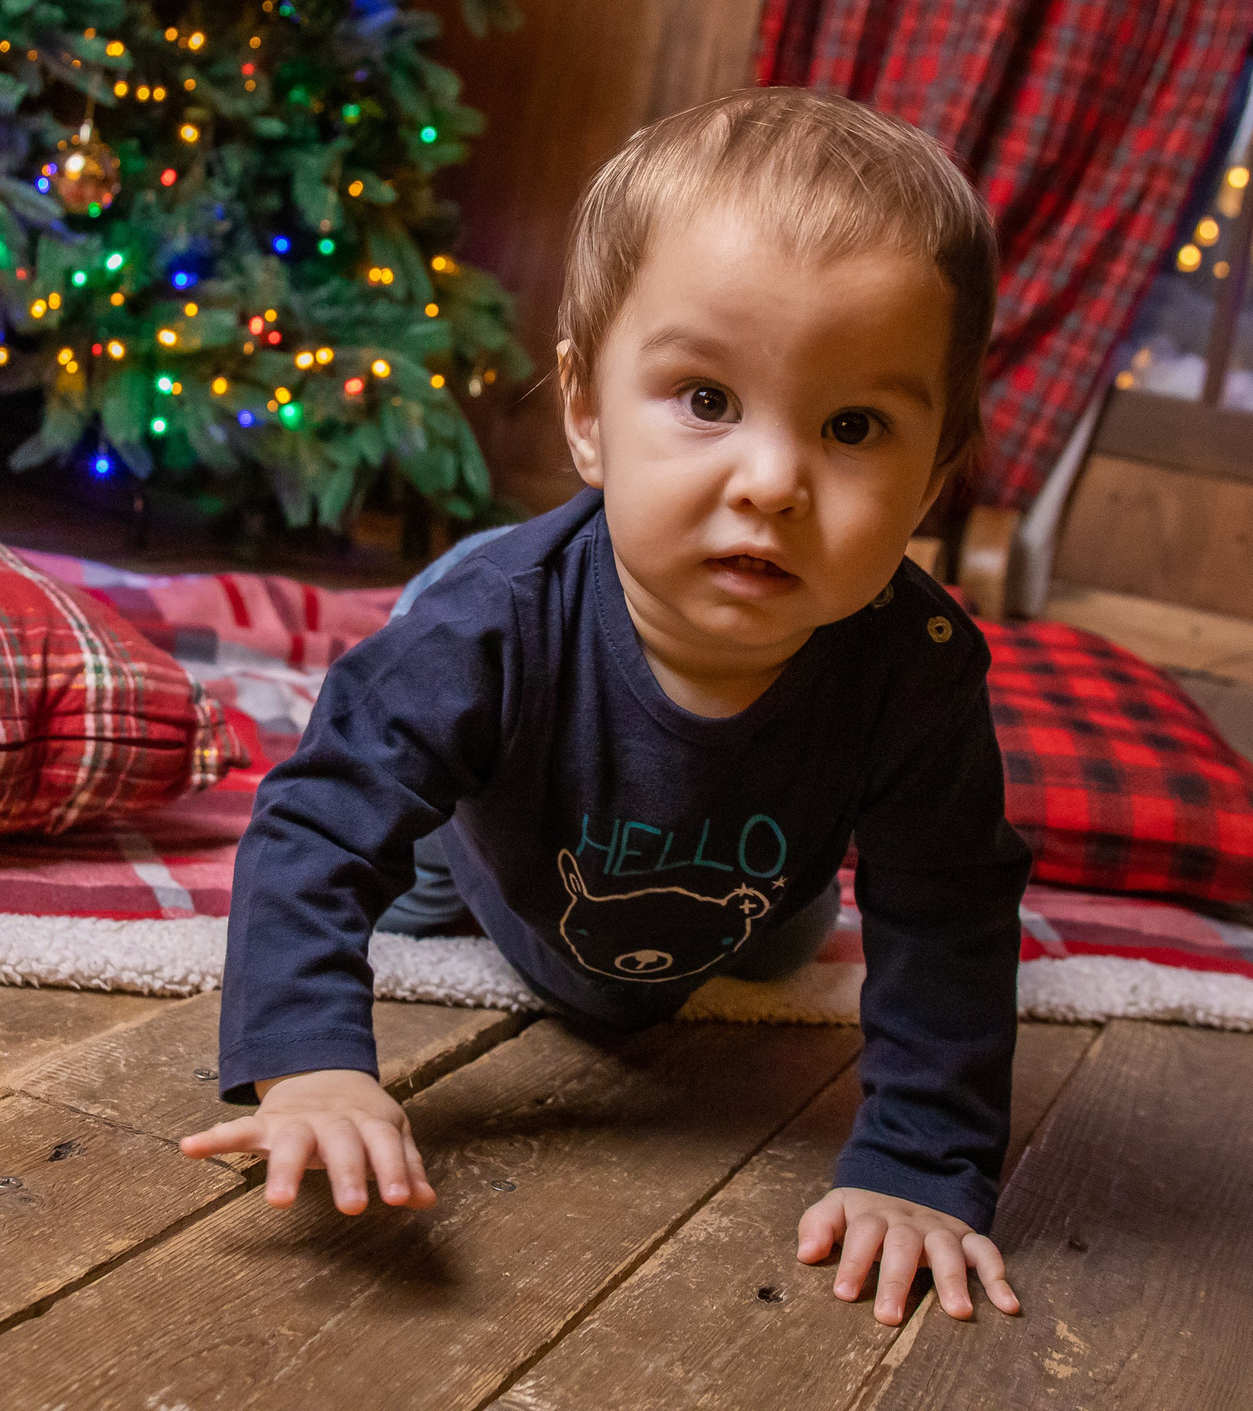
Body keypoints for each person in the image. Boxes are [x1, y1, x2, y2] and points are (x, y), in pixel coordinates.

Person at [178, 87, 1029, 1327]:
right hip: (490, 843)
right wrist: (308, 1065)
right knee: (412, 825)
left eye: (853, 427)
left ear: (937, 472)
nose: (774, 481)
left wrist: (920, 1167)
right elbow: (315, 827)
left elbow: (949, 911)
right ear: (584, 412)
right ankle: (417, 675)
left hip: (751, 896)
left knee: (793, 943)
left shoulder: (919, 667)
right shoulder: (494, 629)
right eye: (704, 400)